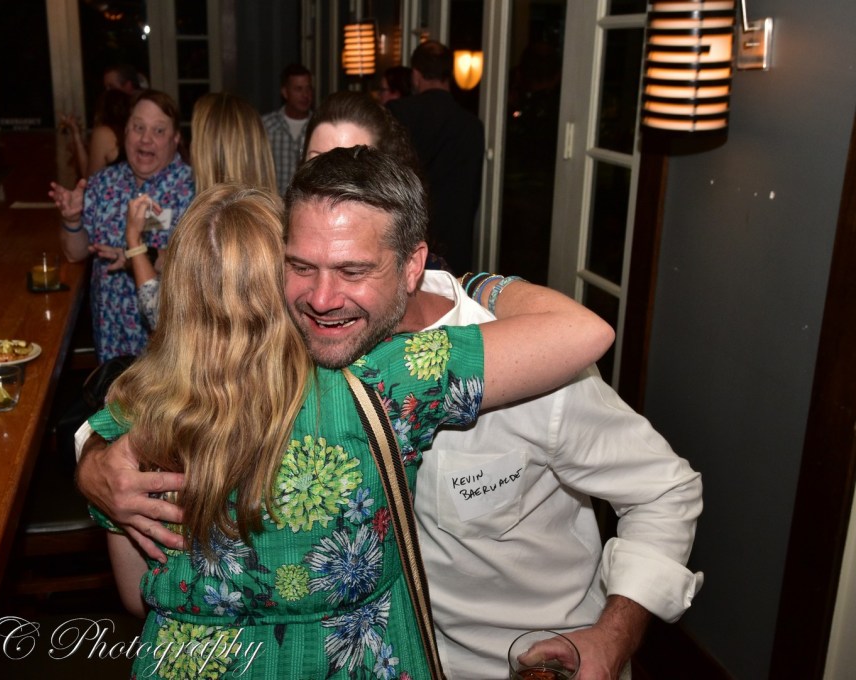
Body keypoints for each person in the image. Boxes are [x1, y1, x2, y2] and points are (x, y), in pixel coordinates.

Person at [76, 102, 704, 680]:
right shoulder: (293, 360)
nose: (323, 296)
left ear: (409, 258)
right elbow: (152, 412)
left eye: (354, 264)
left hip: (510, 665)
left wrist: (613, 637)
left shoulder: (517, 363)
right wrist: (94, 464)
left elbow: (663, 488)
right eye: (303, 262)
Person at [49, 89, 194, 362]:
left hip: (168, 350)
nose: (146, 139)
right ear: (125, 131)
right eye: (138, 127)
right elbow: (75, 253)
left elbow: (200, 269)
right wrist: (72, 220)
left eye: (158, 131)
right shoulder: (102, 183)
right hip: (109, 341)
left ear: (176, 138)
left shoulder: (193, 191)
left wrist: (135, 256)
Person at [125, 91, 277, 329]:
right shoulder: (274, 217)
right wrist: (161, 256)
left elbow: (160, 315)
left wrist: (134, 243)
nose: (191, 146)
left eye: (196, 138)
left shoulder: (213, 225)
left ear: (211, 152)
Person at [387, 40, 485, 275]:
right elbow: (472, 194)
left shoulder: (398, 113)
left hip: (407, 238)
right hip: (455, 243)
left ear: (416, 75)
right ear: (449, 74)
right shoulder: (472, 125)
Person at [261, 63, 313, 195]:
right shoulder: (266, 126)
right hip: (273, 204)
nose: (305, 95)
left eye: (308, 88)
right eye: (298, 89)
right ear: (285, 92)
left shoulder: (318, 126)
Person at [63, 88, 132, 180]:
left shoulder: (104, 134)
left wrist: (76, 135)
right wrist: (76, 134)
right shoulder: (130, 131)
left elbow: (90, 179)